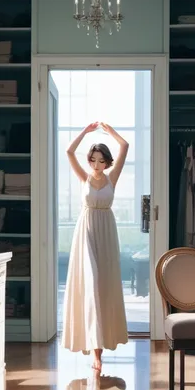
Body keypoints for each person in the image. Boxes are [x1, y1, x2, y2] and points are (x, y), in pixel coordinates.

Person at [61, 121, 129, 370]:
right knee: (89, 283)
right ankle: (93, 351)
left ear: (107, 162)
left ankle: (100, 347)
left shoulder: (112, 178)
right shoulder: (84, 178)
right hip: (87, 230)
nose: (97, 165)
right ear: (89, 161)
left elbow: (125, 145)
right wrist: (84, 132)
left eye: (101, 161)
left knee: (103, 286)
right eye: (93, 160)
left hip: (107, 232)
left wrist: (111, 132)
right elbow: (69, 151)